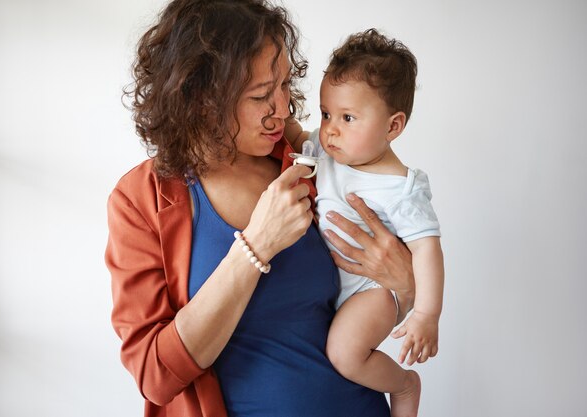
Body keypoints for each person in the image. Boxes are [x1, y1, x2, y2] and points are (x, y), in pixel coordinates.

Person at [105, 2, 416, 416]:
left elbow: (380, 295)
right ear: (201, 98)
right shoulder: (141, 200)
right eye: (260, 95)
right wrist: (255, 247)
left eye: (285, 85)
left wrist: (407, 287)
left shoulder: (308, 164)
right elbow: (156, 376)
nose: (284, 109)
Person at [285, 29, 445, 417]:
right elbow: (289, 132)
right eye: (326, 114)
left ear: (393, 127)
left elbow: (427, 249)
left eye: (348, 118)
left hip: (373, 291)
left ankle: (404, 385)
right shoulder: (330, 149)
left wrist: (426, 313)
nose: (331, 128)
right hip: (338, 288)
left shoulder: (399, 188)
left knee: (345, 353)